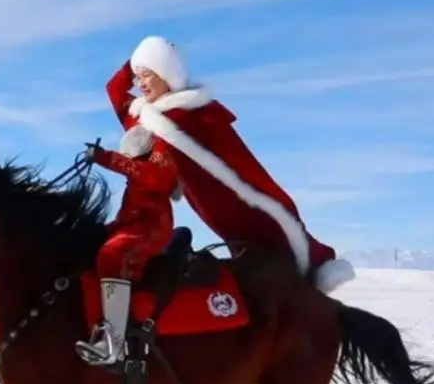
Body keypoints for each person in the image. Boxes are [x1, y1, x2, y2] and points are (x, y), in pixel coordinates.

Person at [103, 35, 356, 294]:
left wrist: (106, 158)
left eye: (147, 75)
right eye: (138, 77)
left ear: (166, 74)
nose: (140, 84)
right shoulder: (144, 115)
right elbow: (114, 89)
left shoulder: (192, 115)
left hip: (222, 198)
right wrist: (137, 59)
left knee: (263, 237)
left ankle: (307, 273)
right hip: (197, 201)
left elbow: (240, 165)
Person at [74, 135, 181, 366]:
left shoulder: (155, 170)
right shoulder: (137, 179)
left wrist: (104, 157)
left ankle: (114, 344)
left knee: (111, 255)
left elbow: (143, 173)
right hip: (134, 227)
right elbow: (127, 215)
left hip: (151, 230)